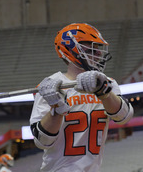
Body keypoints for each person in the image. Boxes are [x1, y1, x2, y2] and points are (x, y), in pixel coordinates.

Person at [29, 23, 134, 172]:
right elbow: (43, 141)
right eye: (91, 47)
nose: (98, 53)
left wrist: (103, 92)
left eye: (97, 48)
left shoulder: (106, 82)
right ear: (72, 51)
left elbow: (124, 117)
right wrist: (56, 109)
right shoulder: (51, 87)